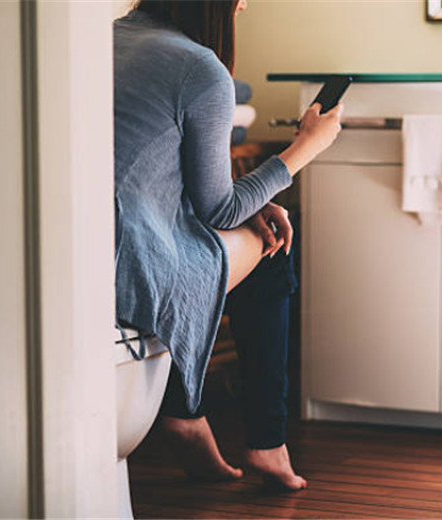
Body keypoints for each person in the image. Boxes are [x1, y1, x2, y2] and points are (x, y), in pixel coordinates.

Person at [113, 0, 343, 490]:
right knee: (272, 249)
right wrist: (306, 146)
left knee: (251, 232)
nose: (245, 4)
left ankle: (186, 414)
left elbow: (155, 178)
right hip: (134, 267)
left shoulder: (106, 40)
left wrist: (251, 200)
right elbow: (219, 210)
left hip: (84, 255)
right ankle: (264, 443)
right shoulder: (199, 67)